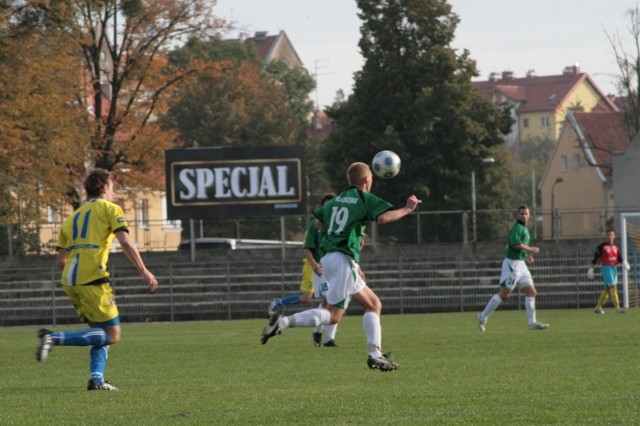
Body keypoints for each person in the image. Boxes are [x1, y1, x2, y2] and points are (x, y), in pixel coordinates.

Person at [261, 162, 422, 372]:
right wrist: (407, 209)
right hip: (342, 259)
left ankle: (376, 355)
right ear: (367, 180)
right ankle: (283, 322)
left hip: (331, 258)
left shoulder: (335, 201)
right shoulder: (364, 198)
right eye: (371, 179)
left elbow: (318, 223)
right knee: (334, 315)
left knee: (373, 304)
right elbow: (383, 218)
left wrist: (343, 230)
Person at [36, 168, 158, 391]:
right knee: (112, 334)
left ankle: (97, 379)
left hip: (70, 279)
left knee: (99, 334)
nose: (113, 191)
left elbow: (60, 260)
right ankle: (53, 338)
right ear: (104, 187)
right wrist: (144, 270)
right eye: (112, 186)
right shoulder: (111, 209)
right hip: (92, 277)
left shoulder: (72, 217)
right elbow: (126, 242)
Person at [267, 193, 340, 347]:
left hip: (334, 267)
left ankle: (321, 334)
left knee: (329, 300)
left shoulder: (339, 225)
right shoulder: (315, 225)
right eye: (327, 205)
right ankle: (324, 336)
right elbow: (307, 248)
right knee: (321, 299)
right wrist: (314, 265)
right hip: (317, 267)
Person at [477, 204, 549, 332]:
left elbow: (519, 247)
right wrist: (531, 249)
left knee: (531, 292)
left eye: (526, 213)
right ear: (517, 215)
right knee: (504, 295)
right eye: (521, 213)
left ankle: (532, 322)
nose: (524, 216)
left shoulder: (525, 229)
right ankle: (482, 316)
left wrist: (526, 256)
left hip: (521, 264)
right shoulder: (517, 228)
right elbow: (515, 244)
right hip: (512, 265)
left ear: (529, 215)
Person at [589, 229, 627, 314]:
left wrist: (624, 262)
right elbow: (595, 258)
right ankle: (618, 308)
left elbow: (619, 258)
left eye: (611, 235)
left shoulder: (616, 247)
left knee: (608, 289)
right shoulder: (602, 246)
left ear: (614, 236)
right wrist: (591, 268)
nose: (610, 236)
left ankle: (598, 307)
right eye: (608, 235)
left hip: (614, 269)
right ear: (606, 236)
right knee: (613, 286)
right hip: (606, 268)